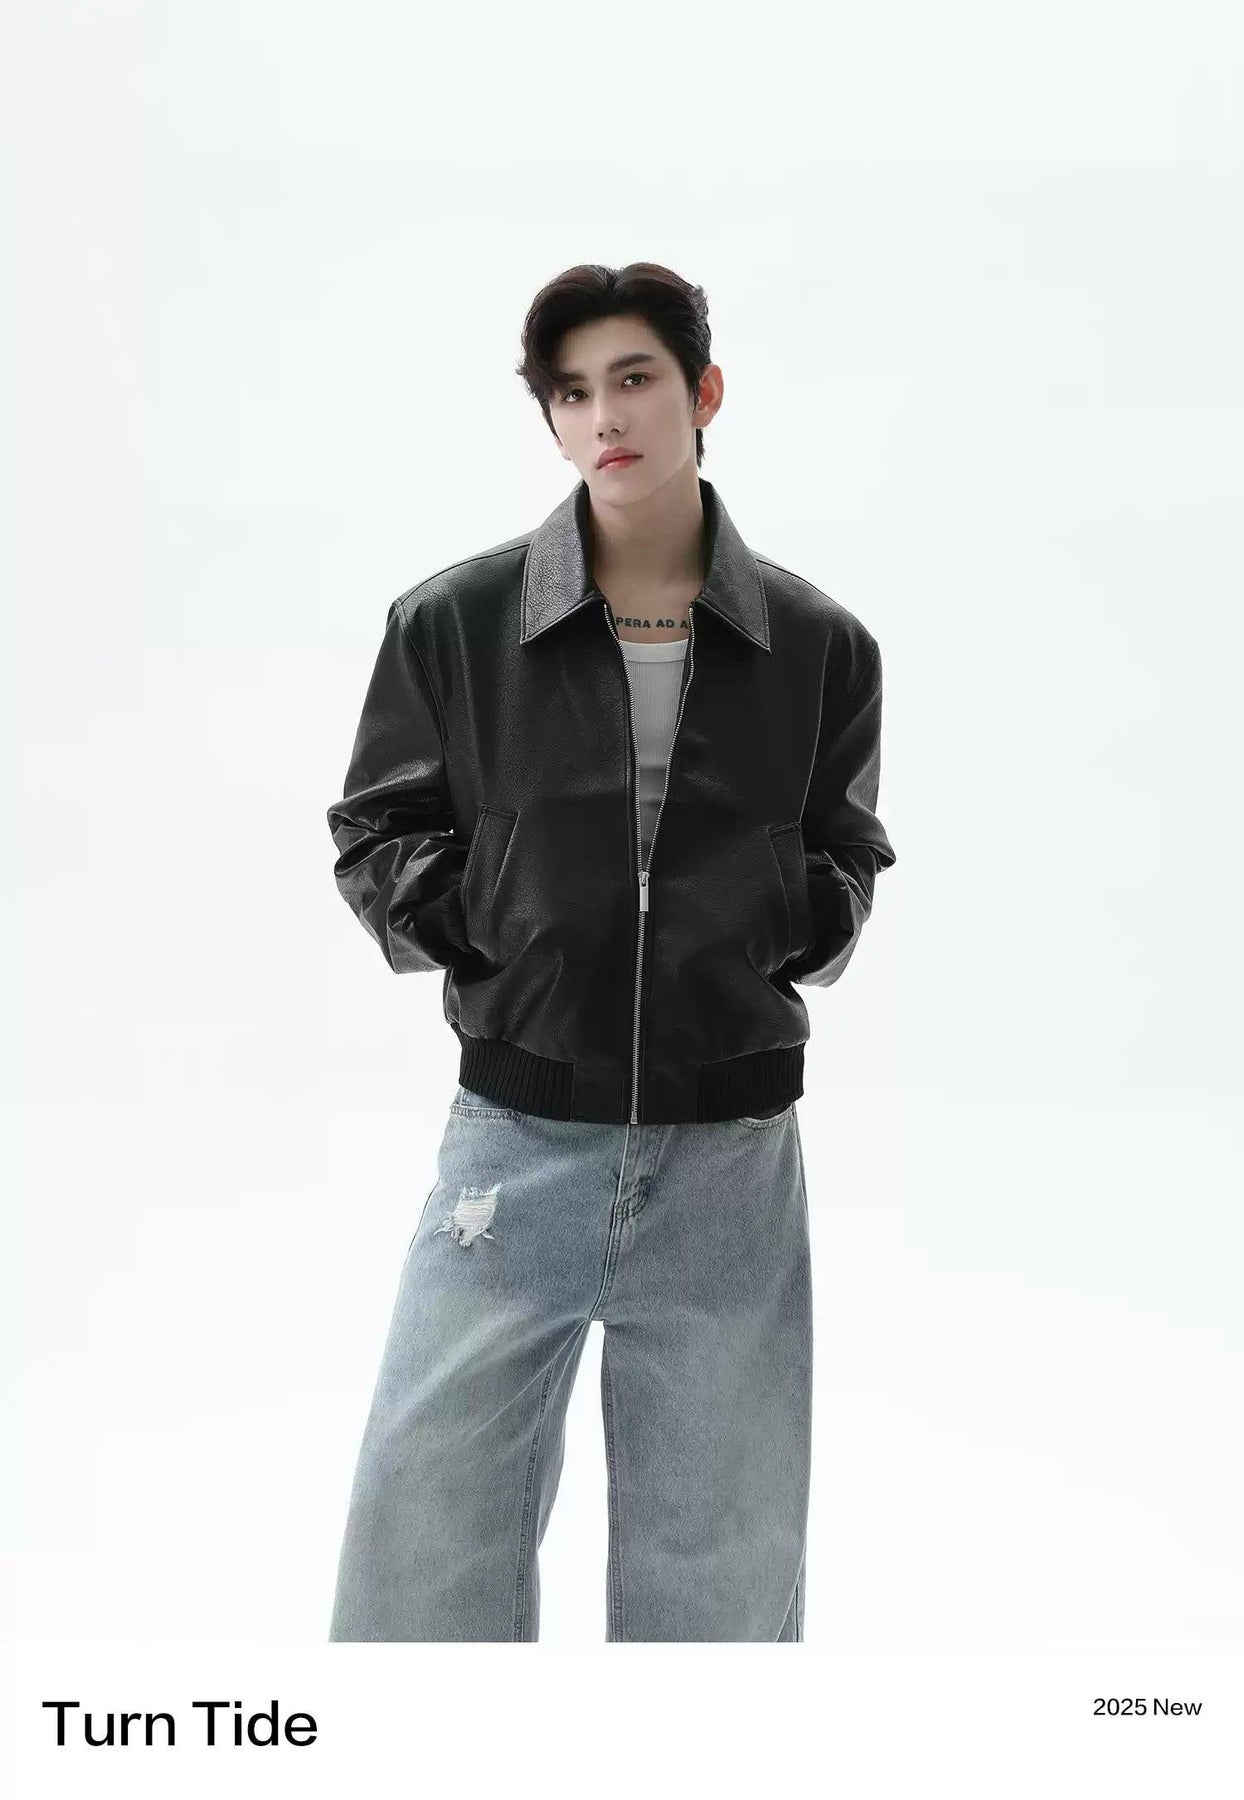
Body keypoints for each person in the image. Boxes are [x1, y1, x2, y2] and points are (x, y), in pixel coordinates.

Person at [325, 261, 897, 1641]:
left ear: (705, 392)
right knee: (423, 1553)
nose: (605, 417)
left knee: (722, 1573)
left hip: (730, 1158)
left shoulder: (821, 644)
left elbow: (847, 850)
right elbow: (377, 829)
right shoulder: (455, 623)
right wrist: (499, 927)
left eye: (634, 378)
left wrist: (779, 922)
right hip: (516, 1139)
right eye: (571, 393)